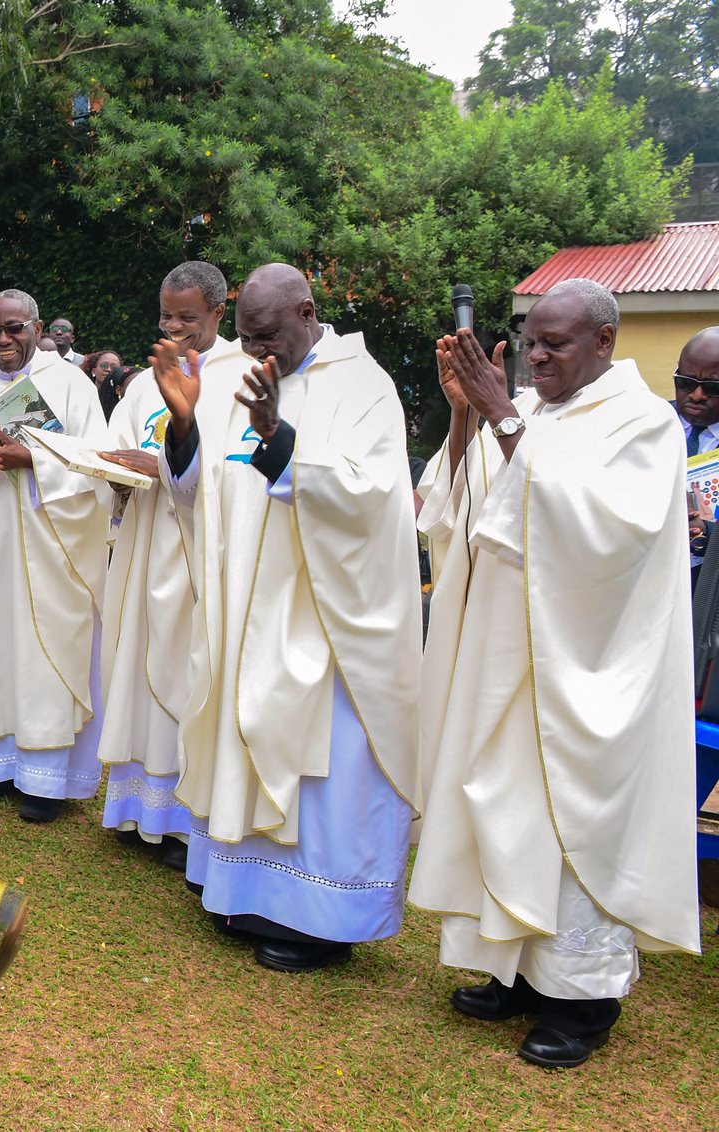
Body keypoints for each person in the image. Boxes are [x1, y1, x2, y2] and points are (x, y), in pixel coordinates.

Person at [410, 279, 700, 1068]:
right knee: (503, 808)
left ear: (604, 341)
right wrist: (469, 413)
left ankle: (582, 998)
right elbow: (461, 512)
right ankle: (511, 967)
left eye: (556, 344)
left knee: (569, 822)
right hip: (507, 655)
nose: (537, 357)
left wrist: (503, 416)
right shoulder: (533, 412)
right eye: (531, 342)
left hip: (586, 668)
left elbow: (605, 536)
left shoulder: (644, 423)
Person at [154, 263, 421, 972]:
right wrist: (184, 429)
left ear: (308, 312)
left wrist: (278, 436)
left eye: (268, 337)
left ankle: (322, 919)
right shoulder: (235, 375)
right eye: (245, 339)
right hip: (244, 604)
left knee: (319, 761)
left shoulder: (363, 386)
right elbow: (197, 493)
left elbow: (371, 499)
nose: (258, 355)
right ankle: (243, 893)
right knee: (244, 729)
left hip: (323, 617)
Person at [0, 289, 111, 822]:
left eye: (15, 329)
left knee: (46, 650)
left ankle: (44, 778)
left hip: (52, 543)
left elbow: (96, 461)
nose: (4, 341)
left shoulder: (72, 385)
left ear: (37, 328)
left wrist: (34, 460)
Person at [95, 263, 232, 869]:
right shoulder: (144, 382)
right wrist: (112, 474)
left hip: (199, 553)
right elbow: (121, 446)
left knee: (185, 678)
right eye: (166, 316)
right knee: (135, 667)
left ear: (218, 317)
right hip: (144, 542)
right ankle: (134, 808)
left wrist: (166, 468)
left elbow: (238, 470)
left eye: (188, 318)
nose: (174, 329)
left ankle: (181, 820)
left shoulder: (237, 376)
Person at [673, 327, 719, 584]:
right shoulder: (646, 425)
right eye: (685, 383)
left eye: (713, 387)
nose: (697, 395)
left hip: (707, 589)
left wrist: (707, 533)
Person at [81, 350, 125, 418]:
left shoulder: (123, 398)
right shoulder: (83, 394)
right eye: (104, 365)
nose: (108, 369)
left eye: (114, 367)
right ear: (93, 371)